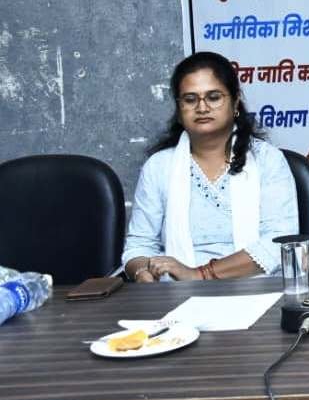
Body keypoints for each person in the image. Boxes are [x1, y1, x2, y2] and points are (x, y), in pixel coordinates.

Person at [121, 52, 298, 282]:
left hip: (258, 290)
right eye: (190, 99)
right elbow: (139, 245)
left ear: (235, 102)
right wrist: (141, 272)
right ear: (179, 109)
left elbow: (279, 243)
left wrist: (200, 275)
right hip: (176, 294)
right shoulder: (159, 167)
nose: (202, 107)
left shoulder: (267, 160)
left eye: (213, 97)